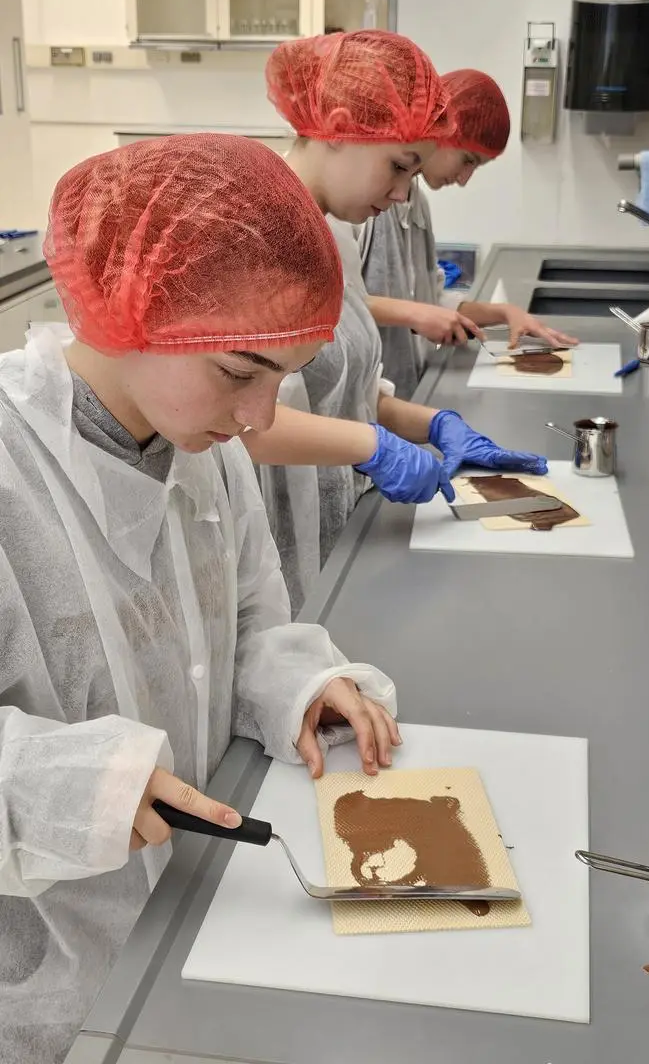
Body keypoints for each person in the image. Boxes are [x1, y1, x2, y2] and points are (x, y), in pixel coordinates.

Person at [0, 134, 400, 1064]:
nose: (261, 418)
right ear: (130, 313)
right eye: (240, 372)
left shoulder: (203, 445)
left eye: (281, 376)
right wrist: (68, 787)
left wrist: (299, 682)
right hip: (50, 990)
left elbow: (249, 615)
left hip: (200, 921)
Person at [241, 32, 546, 613]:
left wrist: (435, 425)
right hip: (272, 553)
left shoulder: (330, 235)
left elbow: (344, 390)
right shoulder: (259, 238)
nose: (406, 194)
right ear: (336, 128)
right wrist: (370, 445)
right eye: (399, 167)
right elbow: (238, 424)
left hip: (335, 530)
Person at [360, 68, 578, 398]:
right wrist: (416, 314)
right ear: (442, 132)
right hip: (364, 403)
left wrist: (504, 313)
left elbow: (429, 300)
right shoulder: (362, 205)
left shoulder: (415, 202)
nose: (464, 179)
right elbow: (338, 307)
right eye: (468, 160)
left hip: (403, 395)